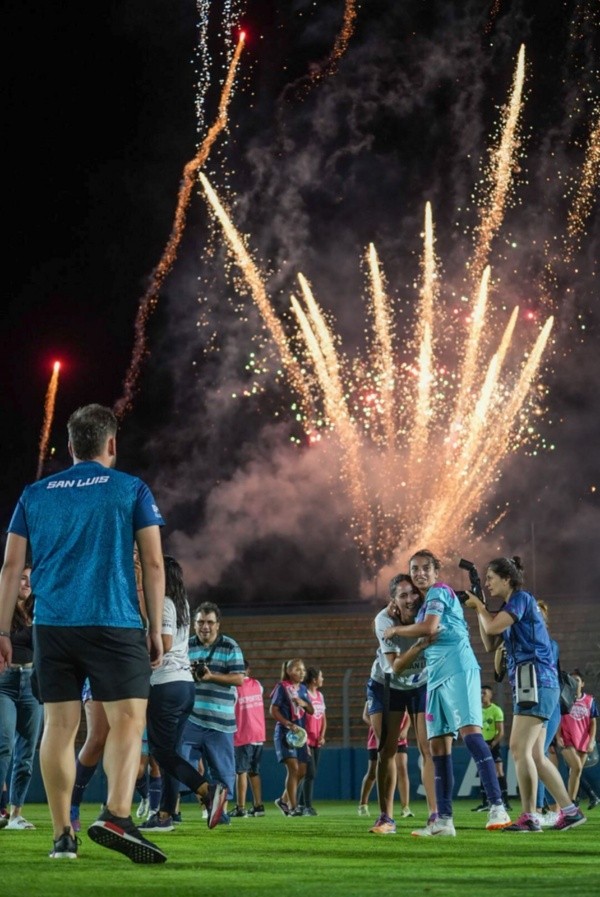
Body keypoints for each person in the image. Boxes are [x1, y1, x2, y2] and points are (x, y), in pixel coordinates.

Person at [0, 404, 180, 862]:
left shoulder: (34, 493)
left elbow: (10, 568)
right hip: (113, 622)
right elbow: (155, 563)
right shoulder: (130, 489)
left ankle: (63, 836)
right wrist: (156, 625)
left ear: (70, 446)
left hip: (52, 626)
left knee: (59, 728)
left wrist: (2, 629)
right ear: (111, 444)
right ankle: (117, 813)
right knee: (127, 720)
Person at [393, 549, 512, 837]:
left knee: (471, 735)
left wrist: (392, 631)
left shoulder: (439, 591)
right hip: (435, 677)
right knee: (437, 747)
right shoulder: (423, 605)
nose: (420, 573)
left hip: (458, 668)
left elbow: (431, 627)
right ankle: (444, 820)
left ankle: (498, 806)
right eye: (414, 568)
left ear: (436, 572)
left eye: (425, 568)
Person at [466, 554, 587, 832]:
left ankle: (531, 816)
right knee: (534, 753)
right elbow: (489, 642)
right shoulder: (512, 605)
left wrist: (481, 608)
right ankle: (569, 810)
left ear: (507, 579)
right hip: (532, 683)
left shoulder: (520, 598)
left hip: (536, 681)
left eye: (491, 578)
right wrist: (479, 608)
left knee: (520, 750)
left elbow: (493, 626)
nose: (487, 583)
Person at [139, 556, 227, 833]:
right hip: (184, 686)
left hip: (165, 685)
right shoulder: (182, 604)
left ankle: (208, 790)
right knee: (171, 753)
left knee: (160, 752)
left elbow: (162, 644)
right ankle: (165, 814)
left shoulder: (164, 603)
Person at [369, 572, 436, 835]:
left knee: (428, 748)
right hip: (387, 684)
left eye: (413, 593)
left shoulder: (428, 614)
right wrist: (419, 645)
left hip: (421, 684)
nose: (410, 599)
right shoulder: (383, 619)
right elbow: (395, 667)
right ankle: (386, 817)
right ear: (393, 601)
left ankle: (435, 816)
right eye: (403, 595)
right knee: (387, 750)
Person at [181, 601, 245, 825]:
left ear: (218, 624)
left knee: (223, 771)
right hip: (191, 718)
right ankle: (175, 809)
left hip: (221, 723)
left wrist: (210, 677)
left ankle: (221, 812)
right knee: (179, 762)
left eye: (209, 622)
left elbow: (239, 678)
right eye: (200, 622)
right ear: (194, 625)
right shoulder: (186, 645)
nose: (204, 627)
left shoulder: (230, 646)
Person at [0, 565, 44, 830]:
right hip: (4, 683)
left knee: (26, 754)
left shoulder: (39, 613)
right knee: (4, 745)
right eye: (22, 579)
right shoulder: (3, 612)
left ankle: (16, 814)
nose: (27, 584)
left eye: (30, 580)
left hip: (31, 684)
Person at [270, 658, 314, 816]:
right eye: (297, 670)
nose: (301, 673)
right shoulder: (282, 687)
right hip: (285, 733)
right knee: (293, 769)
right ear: (288, 671)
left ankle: (282, 800)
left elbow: (311, 711)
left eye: (303, 670)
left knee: (302, 771)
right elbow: (273, 710)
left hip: (300, 735)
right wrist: (288, 724)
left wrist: (304, 703)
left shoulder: (303, 688)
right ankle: (293, 807)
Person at [358, 701, 412, 818]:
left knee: (402, 769)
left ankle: (405, 807)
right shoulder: (375, 693)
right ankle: (363, 804)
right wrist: (375, 725)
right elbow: (365, 715)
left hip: (399, 738)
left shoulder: (401, 691)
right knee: (373, 772)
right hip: (377, 739)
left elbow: (408, 715)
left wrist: (405, 730)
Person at [556, 669, 598, 803]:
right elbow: (557, 719)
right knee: (576, 767)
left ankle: (571, 802)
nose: (574, 682)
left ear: (583, 683)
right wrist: (558, 737)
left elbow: (593, 723)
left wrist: (591, 741)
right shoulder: (563, 698)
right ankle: (571, 802)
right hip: (567, 739)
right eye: (572, 680)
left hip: (583, 741)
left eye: (577, 680)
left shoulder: (590, 700)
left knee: (575, 772)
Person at [232, 658, 266, 818]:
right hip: (259, 734)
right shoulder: (258, 685)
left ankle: (240, 807)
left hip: (243, 734)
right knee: (254, 771)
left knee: (241, 772)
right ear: (248, 670)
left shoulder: (234, 688)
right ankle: (258, 806)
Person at [471, 685, 511, 812]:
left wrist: (492, 743)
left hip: (492, 744)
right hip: (481, 743)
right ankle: (485, 802)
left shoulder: (496, 710)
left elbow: (501, 732)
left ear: (490, 695)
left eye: (484, 693)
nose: (481, 695)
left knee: (499, 771)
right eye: (480, 693)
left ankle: (505, 801)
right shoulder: (476, 710)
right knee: (483, 770)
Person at [297, 666, 326, 816]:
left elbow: (323, 717)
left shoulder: (320, 696)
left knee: (310, 774)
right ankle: (307, 806)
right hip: (306, 740)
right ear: (314, 680)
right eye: (321, 676)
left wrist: (322, 735)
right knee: (310, 773)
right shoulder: (304, 694)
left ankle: (301, 804)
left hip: (316, 740)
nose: (323, 679)